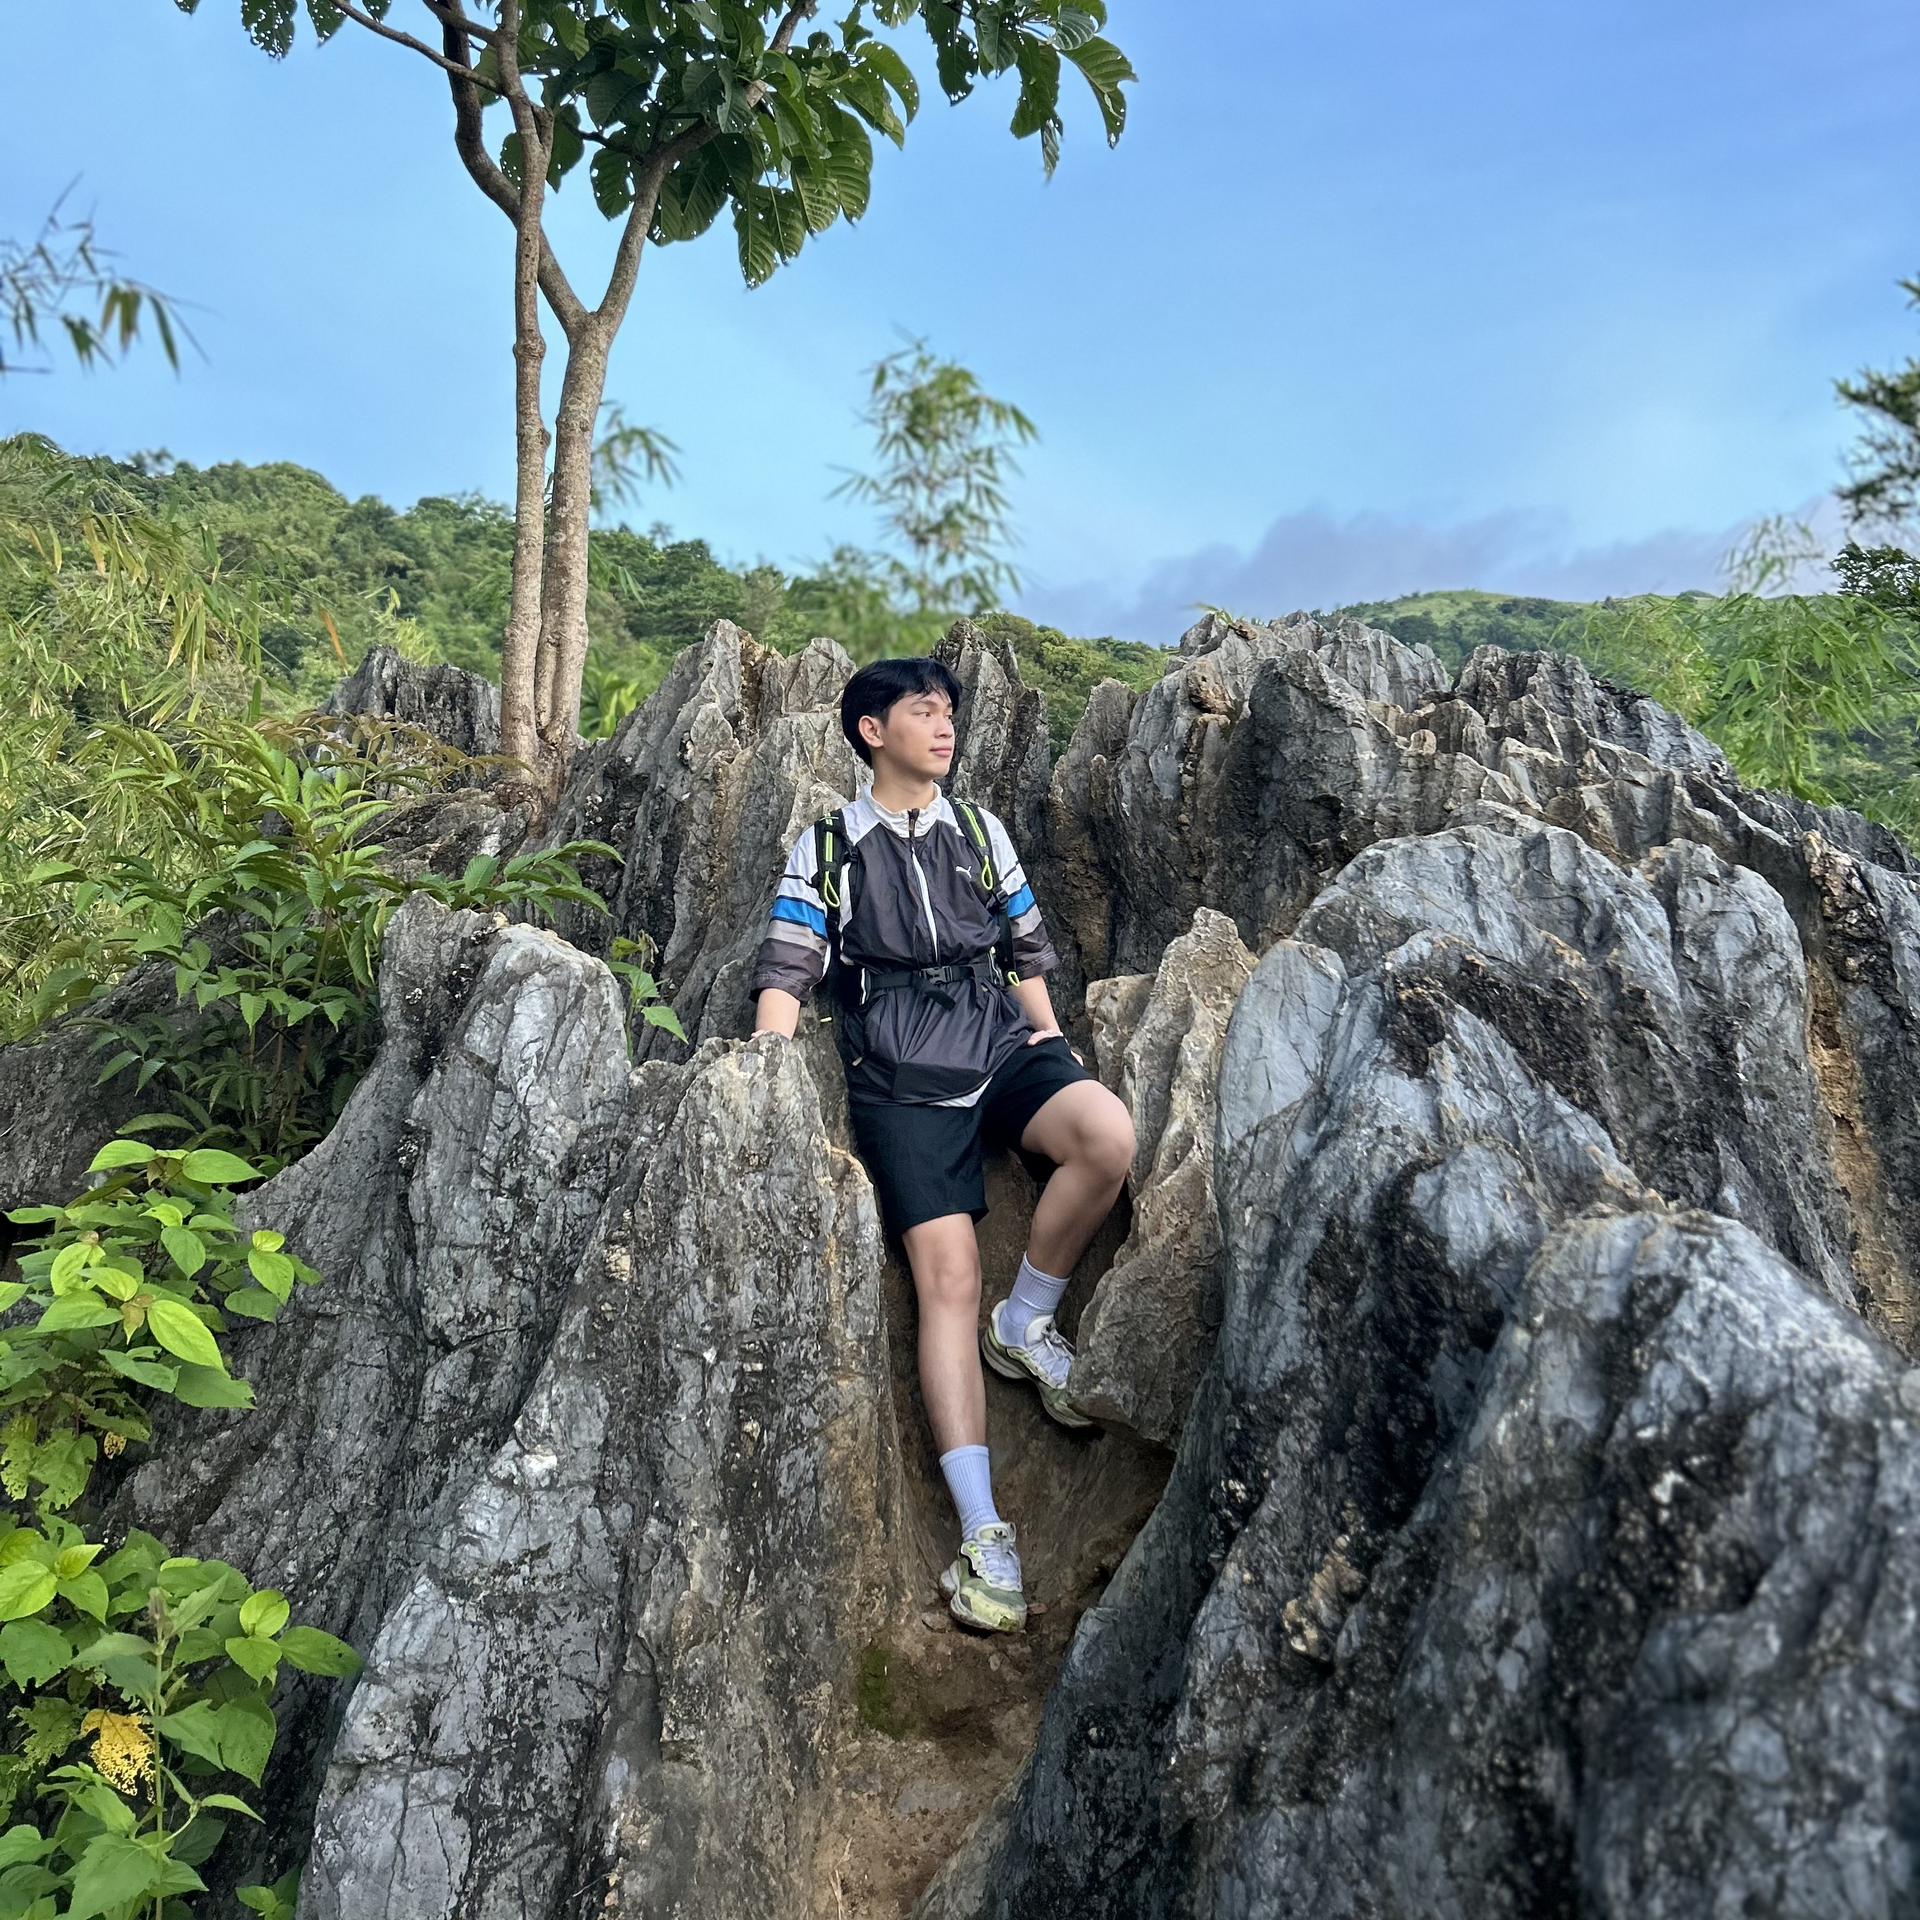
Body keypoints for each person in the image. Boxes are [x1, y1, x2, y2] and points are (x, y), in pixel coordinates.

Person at [749, 656, 1135, 1634]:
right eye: (925, 712)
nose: (945, 726)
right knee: (947, 1280)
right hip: (901, 1073)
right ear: (872, 730)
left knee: (1105, 1134)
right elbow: (791, 959)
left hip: (996, 1037)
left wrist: (1044, 1032)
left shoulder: (976, 828)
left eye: (950, 712)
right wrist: (765, 1063)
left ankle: (1030, 1322)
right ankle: (983, 1533)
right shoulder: (831, 844)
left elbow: (1023, 939)